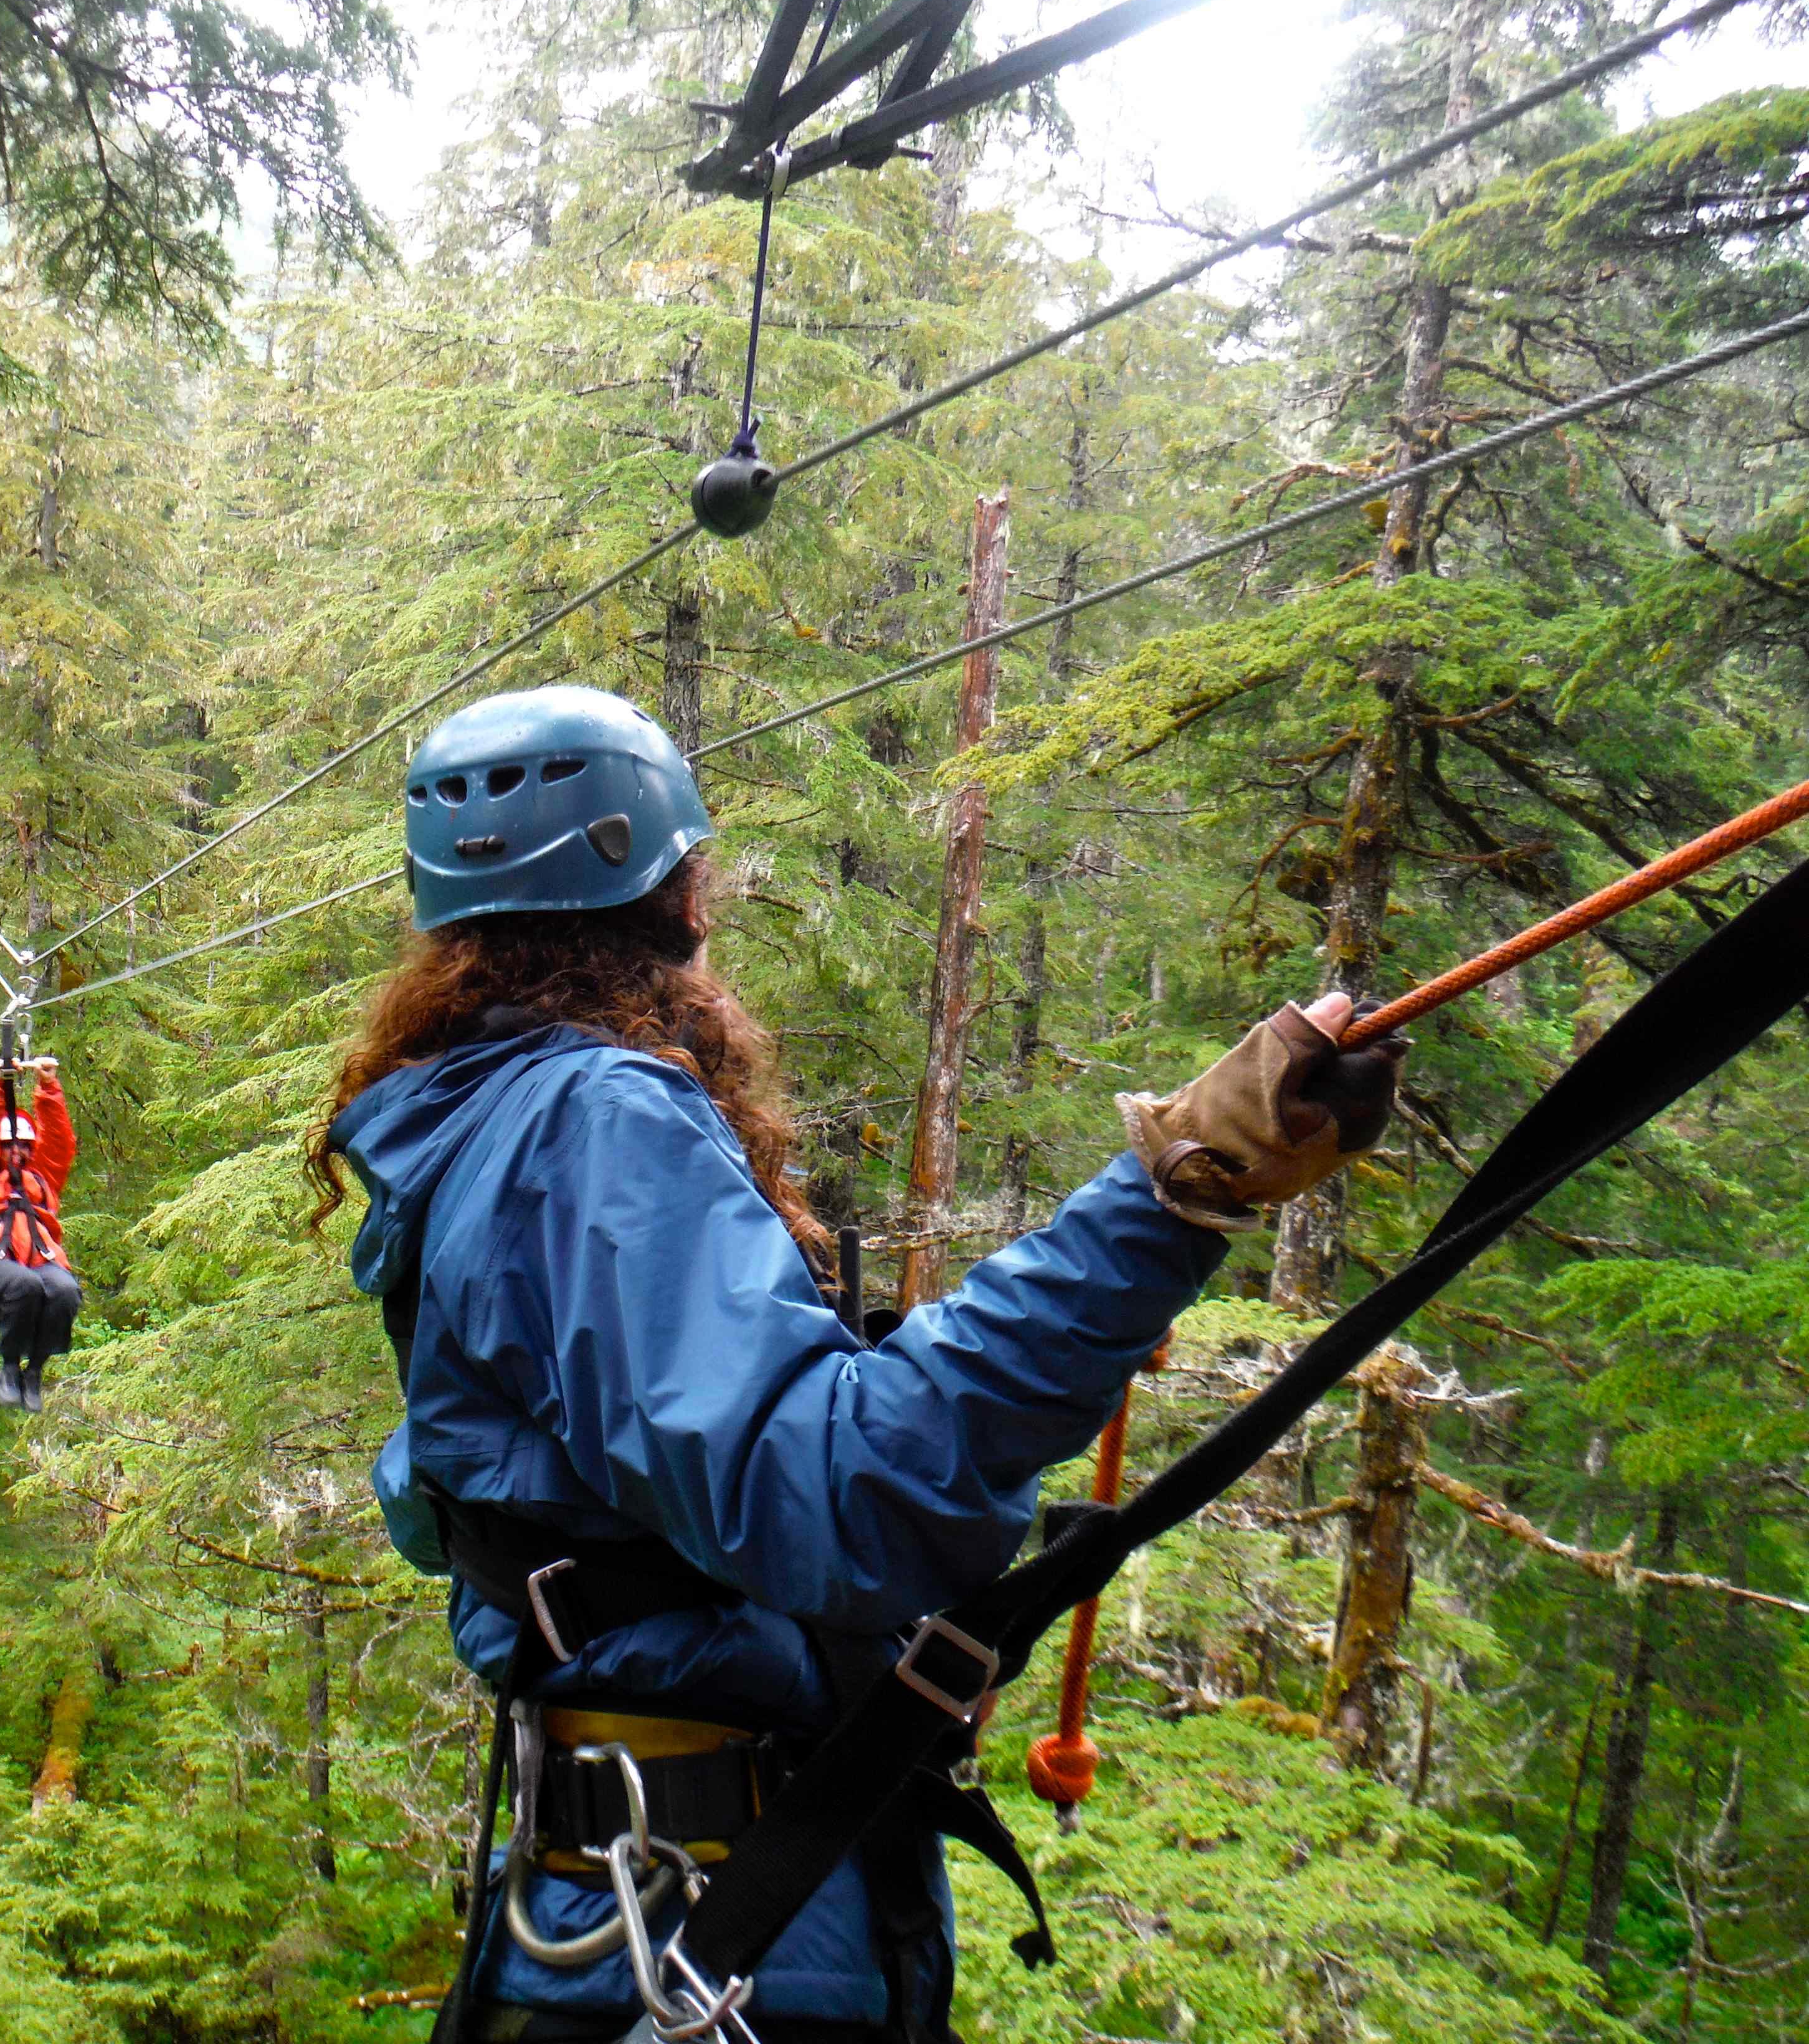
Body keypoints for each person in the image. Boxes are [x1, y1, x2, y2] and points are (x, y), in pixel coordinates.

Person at [310, 686, 1404, 2044]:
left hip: (641, 1915)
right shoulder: (590, 1120)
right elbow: (838, 1494)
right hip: (715, 1933)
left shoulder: (482, 1119)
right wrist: (1165, 1201)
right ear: (676, 890)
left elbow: (595, 1493)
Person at [0, 1058, 81, 1413]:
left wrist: (48, 1087)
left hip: (37, 1265)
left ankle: (35, 1371)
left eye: (25, 1146)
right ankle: (9, 1368)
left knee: (65, 1291)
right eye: (11, 1145)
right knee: (23, 1283)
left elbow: (59, 1141)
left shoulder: (42, 1179)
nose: (18, 1152)